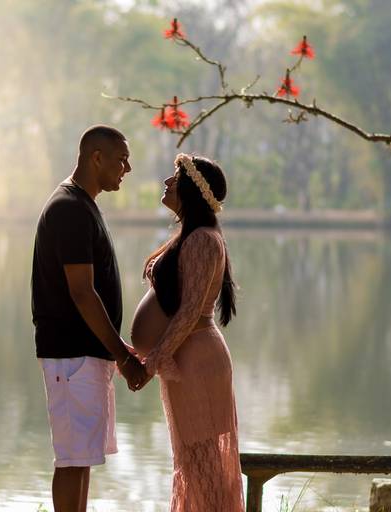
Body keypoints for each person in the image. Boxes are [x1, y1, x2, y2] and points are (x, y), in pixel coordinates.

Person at [31, 125, 150, 512]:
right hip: (71, 355)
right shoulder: (68, 208)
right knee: (71, 460)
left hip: (83, 357)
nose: (127, 168)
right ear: (95, 157)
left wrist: (116, 351)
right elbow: (82, 291)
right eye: (121, 159)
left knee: (81, 459)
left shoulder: (82, 205)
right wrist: (123, 356)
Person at [130, 153, 244, 511]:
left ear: (193, 191)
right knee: (193, 463)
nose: (167, 182)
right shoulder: (191, 236)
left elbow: (190, 311)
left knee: (203, 464)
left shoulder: (202, 241)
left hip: (196, 362)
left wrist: (153, 362)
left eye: (175, 178)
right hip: (185, 359)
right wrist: (148, 355)